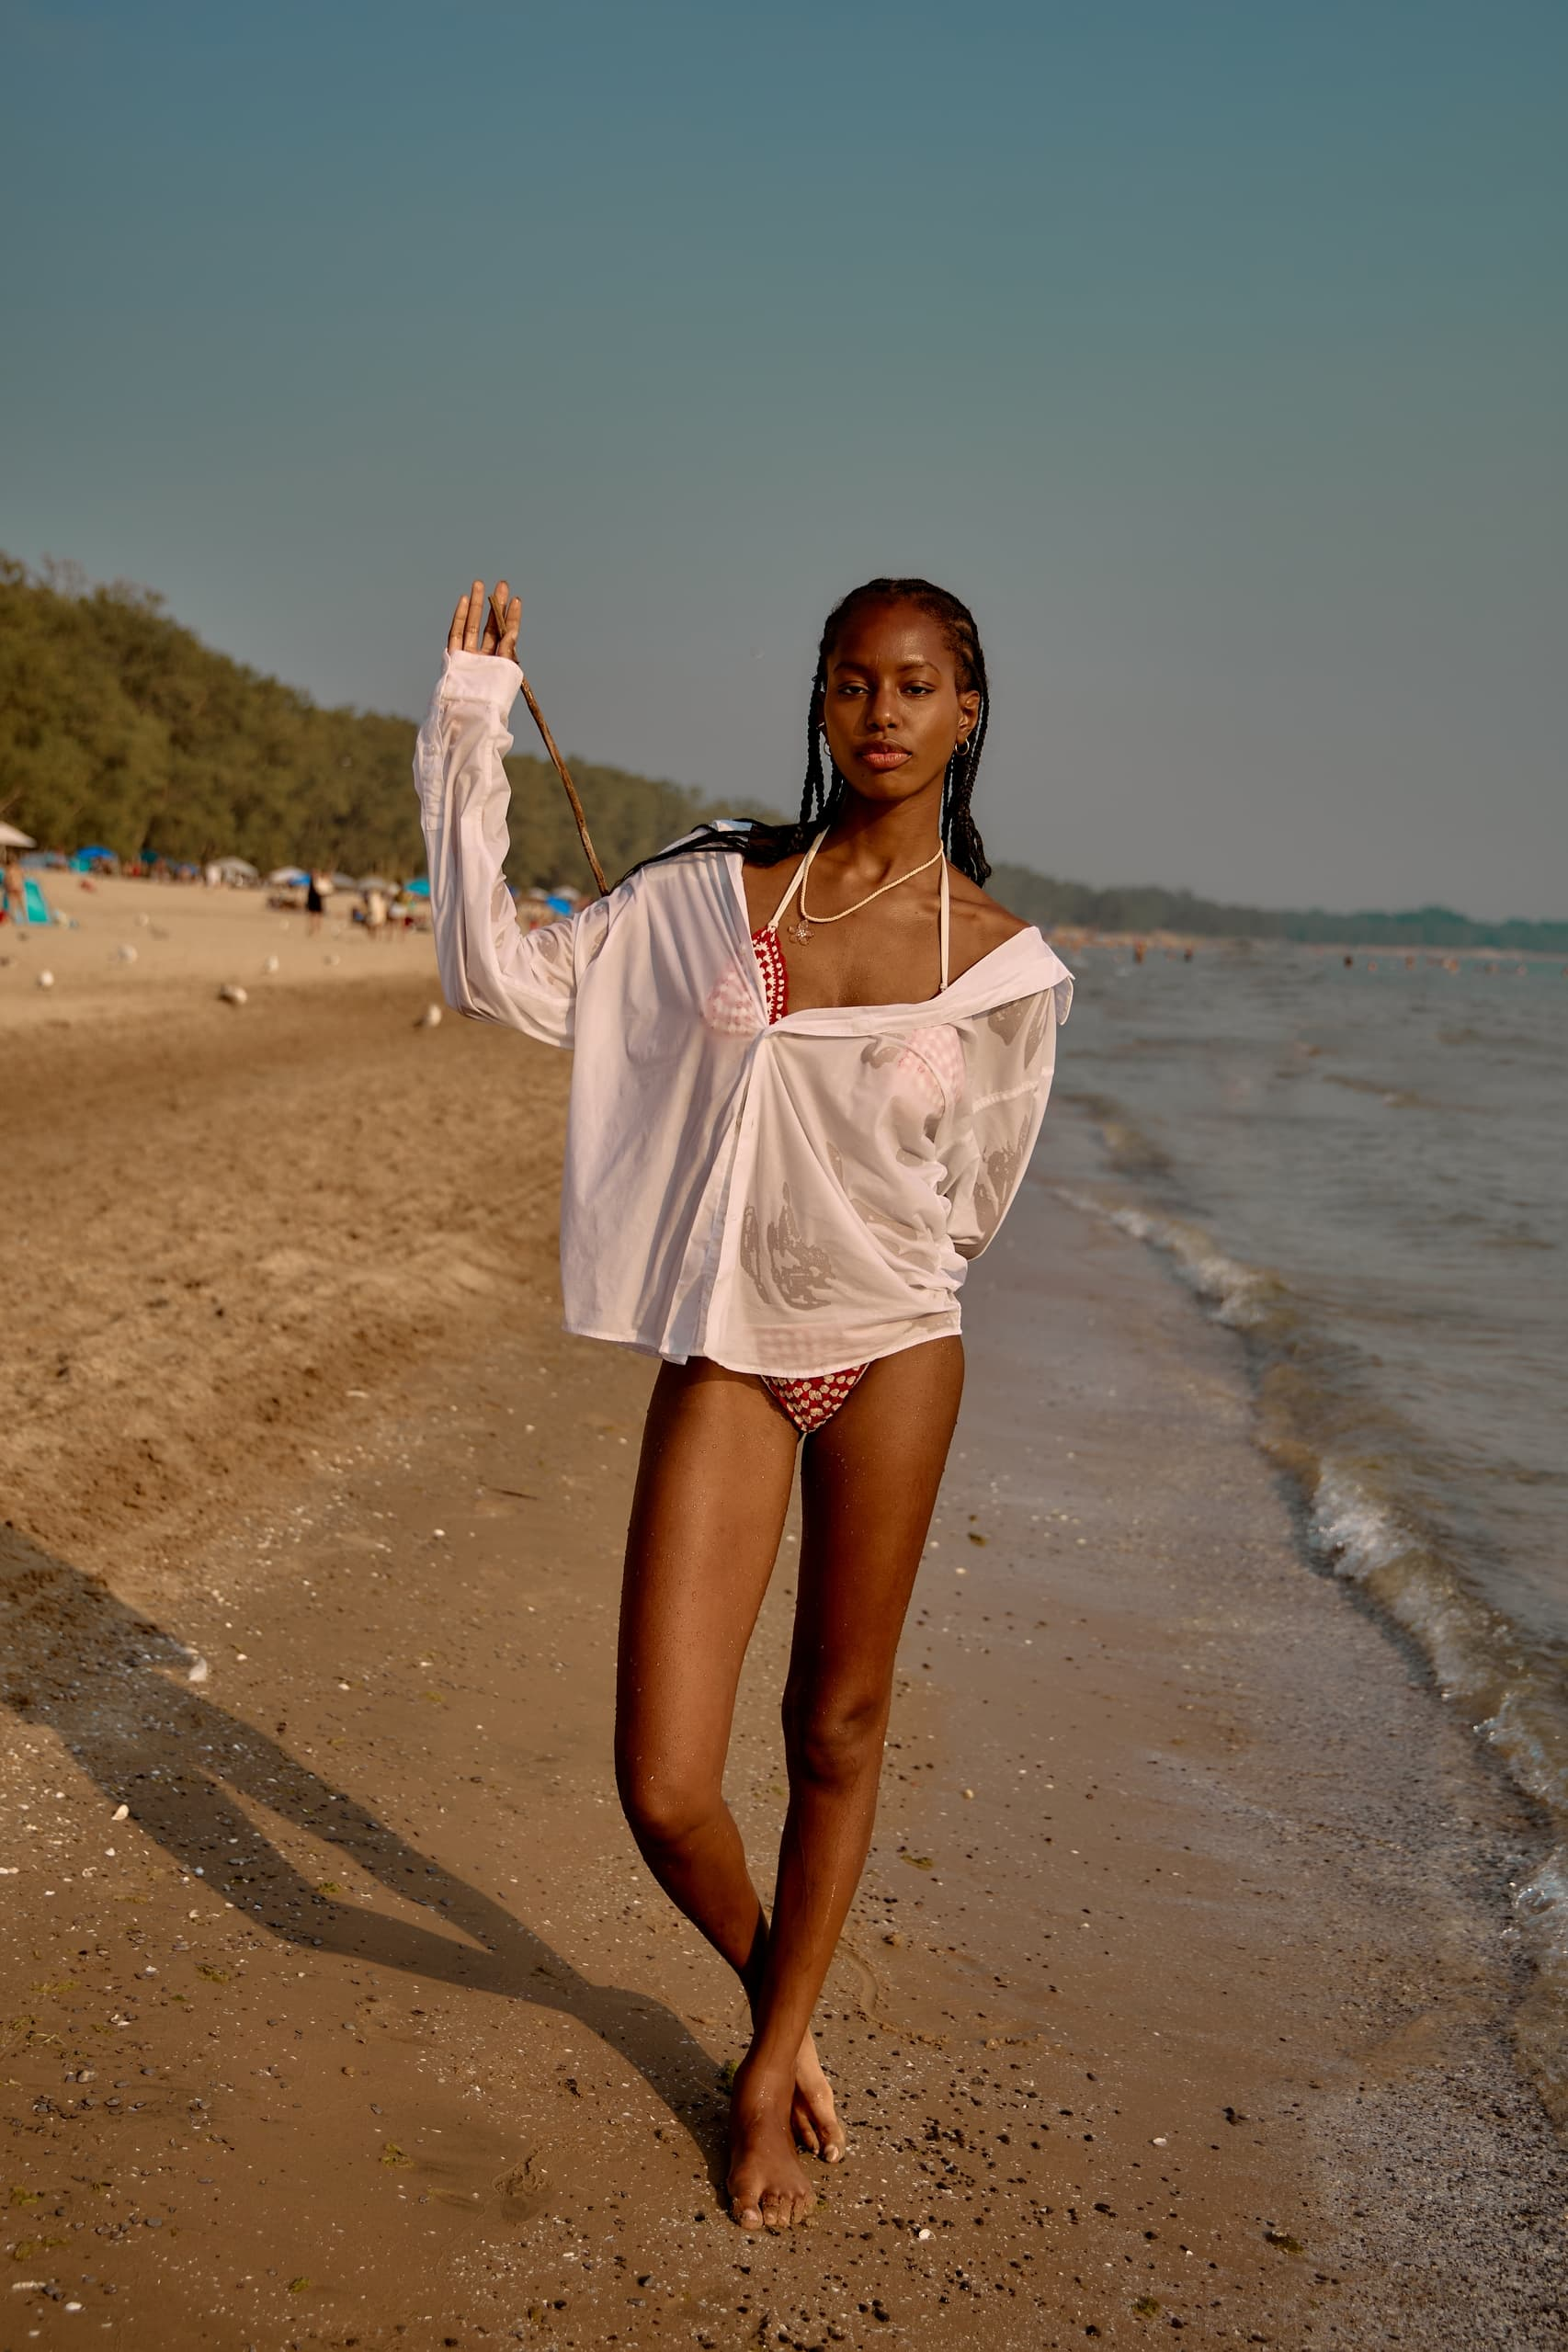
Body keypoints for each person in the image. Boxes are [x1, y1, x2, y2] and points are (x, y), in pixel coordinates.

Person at [415, 574, 1073, 2233]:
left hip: (895, 1352)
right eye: (853, 681)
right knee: (665, 1779)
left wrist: (842, 1242)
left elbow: (970, 1203)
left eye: (915, 685)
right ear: (822, 699)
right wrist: (471, 719)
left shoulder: (1003, 972)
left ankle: (765, 2073)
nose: (880, 711)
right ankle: (786, 1994)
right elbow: (509, 976)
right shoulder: (715, 895)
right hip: (725, 1349)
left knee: (833, 1729)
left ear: (966, 711)